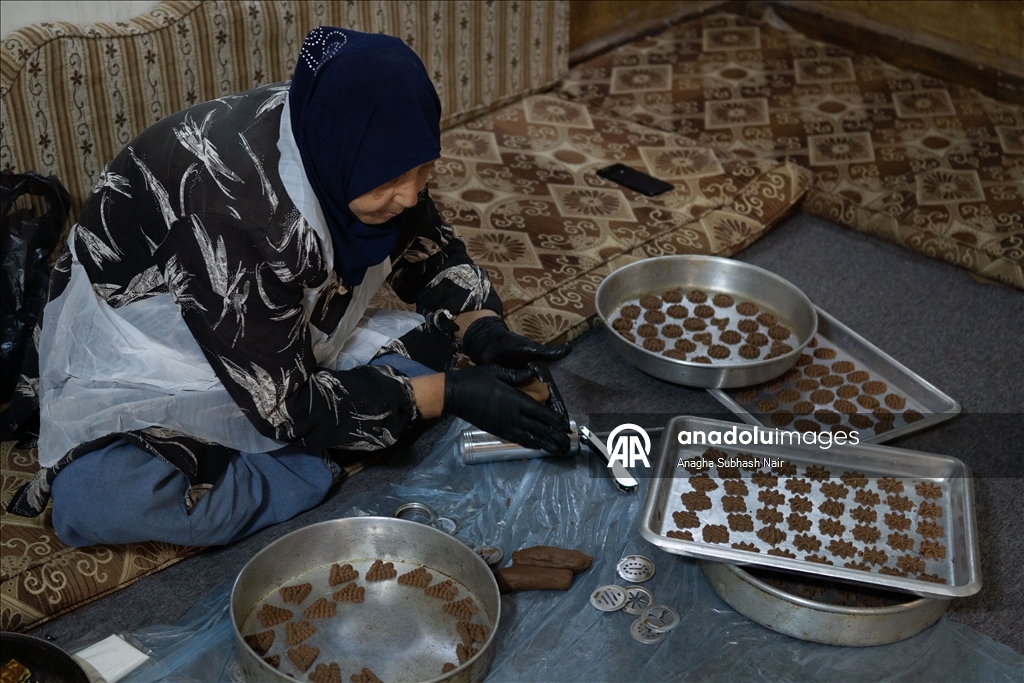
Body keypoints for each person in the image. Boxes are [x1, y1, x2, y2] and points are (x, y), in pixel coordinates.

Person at [7, 27, 571, 547]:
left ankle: (351, 418)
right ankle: (304, 463)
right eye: (392, 179)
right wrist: (450, 394)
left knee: (436, 357)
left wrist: (484, 331)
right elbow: (285, 409)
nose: (410, 195)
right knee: (102, 500)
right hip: (150, 350)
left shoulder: (336, 129)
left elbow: (428, 250)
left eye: (423, 170)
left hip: (260, 329)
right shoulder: (237, 217)